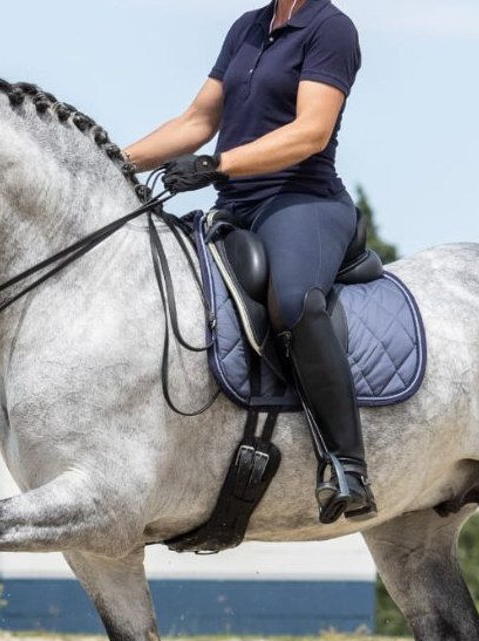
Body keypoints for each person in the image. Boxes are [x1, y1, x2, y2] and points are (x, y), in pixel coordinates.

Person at [124, 0, 375, 524]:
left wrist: (220, 163)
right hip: (236, 204)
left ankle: (347, 466)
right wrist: (113, 162)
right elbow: (198, 120)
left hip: (302, 200)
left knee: (292, 301)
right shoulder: (249, 27)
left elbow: (311, 132)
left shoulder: (330, 29)